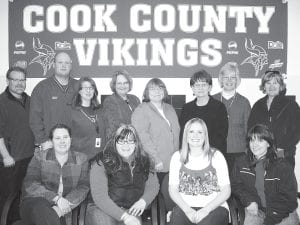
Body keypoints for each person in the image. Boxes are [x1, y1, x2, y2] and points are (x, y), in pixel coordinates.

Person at [86, 124, 159, 225]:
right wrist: (124, 217)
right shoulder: (101, 162)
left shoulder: (145, 162)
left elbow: (153, 186)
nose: (126, 145)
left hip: (131, 210)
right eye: (121, 141)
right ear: (114, 142)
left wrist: (143, 201)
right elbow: (100, 197)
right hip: (101, 209)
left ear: (136, 143)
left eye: (130, 141)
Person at [20, 124, 89, 225]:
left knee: (49, 217)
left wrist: (63, 206)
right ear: (51, 141)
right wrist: (56, 199)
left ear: (71, 139)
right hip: (34, 203)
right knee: (42, 208)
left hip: (63, 208)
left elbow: (83, 187)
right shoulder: (40, 157)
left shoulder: (81, 159)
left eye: (65, 137)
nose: (62, 141)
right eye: (57, 138)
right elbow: (31, 184)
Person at [231, 124, 299, 225]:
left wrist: (270, 220)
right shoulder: (241, 163)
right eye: (252, 140)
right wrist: (249, 201)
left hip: (282, 212)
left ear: (268, 143)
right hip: (256, 209)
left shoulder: (282, 165)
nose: (255, 144)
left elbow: (290, 197)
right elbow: (236, 185)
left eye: (260, 140)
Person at [169, 118, 231, 225]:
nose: (195, 135)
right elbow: (172, 189)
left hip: (215, 207)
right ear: (186, 136)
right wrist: (187, 210)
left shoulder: (216, 156)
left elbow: (226, 190)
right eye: (191, 132)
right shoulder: (177, 157)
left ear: (205, 136)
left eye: (200, 132)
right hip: (186, 207)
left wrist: (206, 210)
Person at [0, 67, 35, 217]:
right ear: (8, 81)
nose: (19, 83)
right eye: (15, 80)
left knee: (24, 196)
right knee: (8, 199)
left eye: (22, 80)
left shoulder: (29, 100)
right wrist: (6, 156)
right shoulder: (1, 102)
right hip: (11, 160)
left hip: (29, 157)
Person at [248, 70, 300, 168]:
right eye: (268, 83)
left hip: (283, 155)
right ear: (264, 86)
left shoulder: (291, 105)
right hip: (261, 155)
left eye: (275, 83)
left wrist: (283, 148)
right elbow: (251, 129)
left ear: (281, 86)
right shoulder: (257, 105)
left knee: (283, 182)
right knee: (261, 183)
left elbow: (297, 131)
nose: (271, 86)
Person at [131, 78, 180, 183]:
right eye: (152, 89)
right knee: (156, 196)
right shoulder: (141, 110)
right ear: (147, 92)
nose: (157, 92)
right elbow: (143, 138)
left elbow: (176, 134)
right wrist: (155, 159)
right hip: (156, 165)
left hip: (173, 162)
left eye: (160, 88)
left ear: (164, 91)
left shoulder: (170, 108)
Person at [30, 52, 78, 151]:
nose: (64, 65)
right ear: (54, 64)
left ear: (71, 65)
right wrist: (43, 140)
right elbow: (35, 118)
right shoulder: (42, 88)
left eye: (67, 63)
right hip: (51, 146)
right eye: (60, 62)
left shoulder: (78, 86)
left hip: (75, 145)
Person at [213, 62, 251, 171]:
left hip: (239, 152)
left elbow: (248, 129)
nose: (229, 80)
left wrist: (248, 150)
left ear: (237, 80)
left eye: (233, 77)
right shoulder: (212, 100)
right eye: (226, 77)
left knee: (236, 185)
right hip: (216, 151)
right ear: (221, 79)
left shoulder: (244, 102)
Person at [180, 69, 228, 154]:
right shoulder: (186, 108)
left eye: (204, 85)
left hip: (213, 153)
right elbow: (183, 134)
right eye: (197, 85)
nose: (200, 88)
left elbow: (221, 135)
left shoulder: (219, 107)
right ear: (192, 88)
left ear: (210, 87)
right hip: (191, 153)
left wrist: (206, 152)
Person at [71, 77, 106, 161]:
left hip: (100, 159)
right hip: (81, 159)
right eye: (86, 88)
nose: (89, 91)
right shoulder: (72, 112)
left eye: (91, 88)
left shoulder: (100, 110)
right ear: (79, 91)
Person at [103, 70, 140, 140]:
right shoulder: (109, 101)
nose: (122, 86)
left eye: (125, 83)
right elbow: (113, 125)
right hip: (120, 141)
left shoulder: (135, 99)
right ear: (114, 85)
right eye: (119, 83)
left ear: (129, 84)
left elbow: (142, 120)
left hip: (137, 141)